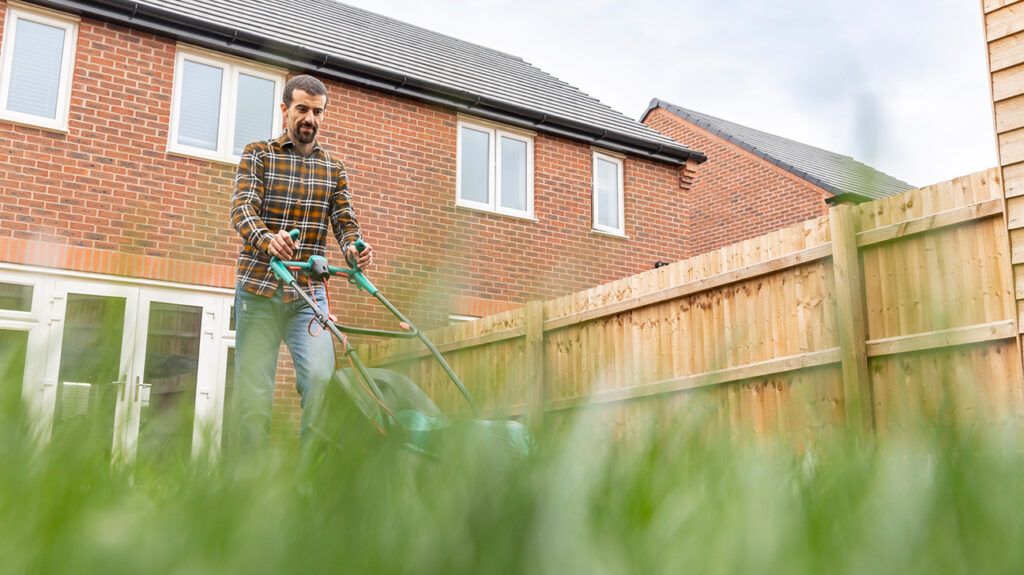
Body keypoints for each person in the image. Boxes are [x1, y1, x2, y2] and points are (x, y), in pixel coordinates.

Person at [229, 74, 373, 450]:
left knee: (320, 381)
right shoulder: (258, 153)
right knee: (254, 393)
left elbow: (345, 221)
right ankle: (250, 482)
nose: (310, 118)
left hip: (308, 295)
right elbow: (242, 209)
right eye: (302, 109)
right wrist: (267, 239)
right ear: (285, 110)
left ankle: (310, 479)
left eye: (317, 111)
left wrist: (355, 248)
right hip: (258, 289)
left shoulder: (333, 168)